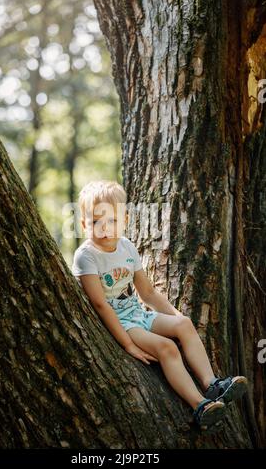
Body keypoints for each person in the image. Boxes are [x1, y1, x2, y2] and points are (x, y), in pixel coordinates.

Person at [71, 180, 248, 432]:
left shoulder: (127, 247)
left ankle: (212, 384)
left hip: (136, 313)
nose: (104, 228)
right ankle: (200, 405)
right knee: (166, 347)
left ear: (125, 220)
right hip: (120, 323)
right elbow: (100, 305)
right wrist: (128, 344)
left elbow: (148, 292)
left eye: (111, 221)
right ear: (83, 223)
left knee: (184, 325)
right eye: (95, 221)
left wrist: (176, 317)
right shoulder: (86, 256)